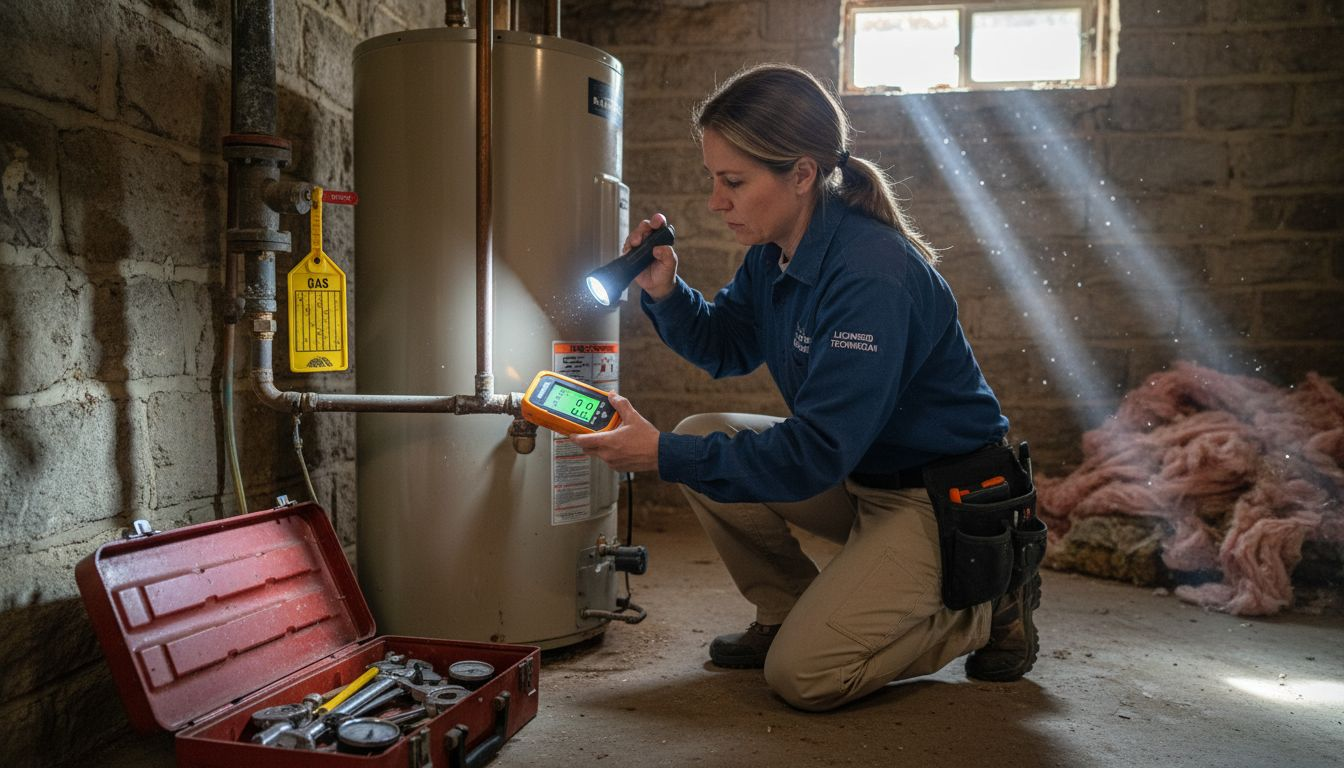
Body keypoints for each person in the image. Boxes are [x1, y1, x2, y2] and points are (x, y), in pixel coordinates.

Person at [571, 63, 1039, 712]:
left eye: (733, 181)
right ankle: (786, 610)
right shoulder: (775, 251)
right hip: (863, 473)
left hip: (934, 499)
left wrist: (657, 457)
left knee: (805, 677)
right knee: (701, 436)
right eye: (714, 180)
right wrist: (665, 292)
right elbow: (726, 346)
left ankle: (984, 605)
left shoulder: (870, 275)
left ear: (801, 174)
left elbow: (816, 452)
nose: (715, 201)